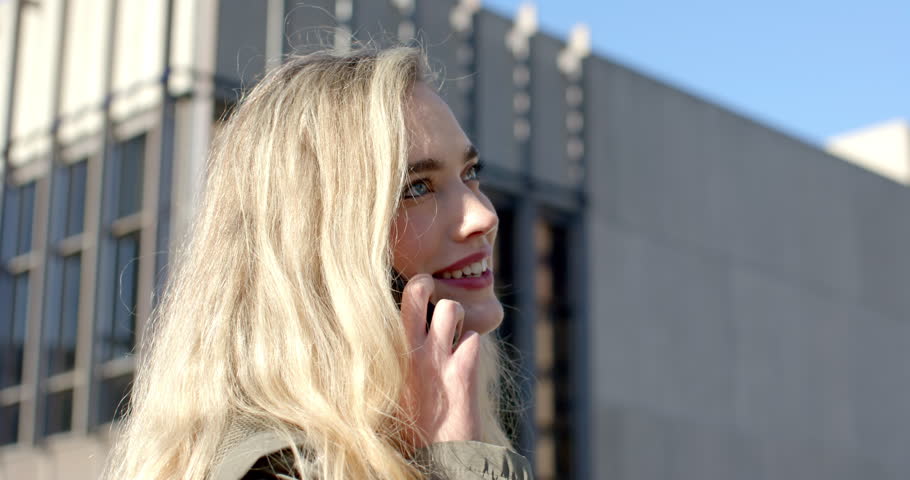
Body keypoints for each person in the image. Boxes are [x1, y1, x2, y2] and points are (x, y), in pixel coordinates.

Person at [102, 46, 533, 479]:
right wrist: (456, 463)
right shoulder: (273, 470)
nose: (483, 216)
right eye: (417, 188)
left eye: (470, 173)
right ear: (316, 245)